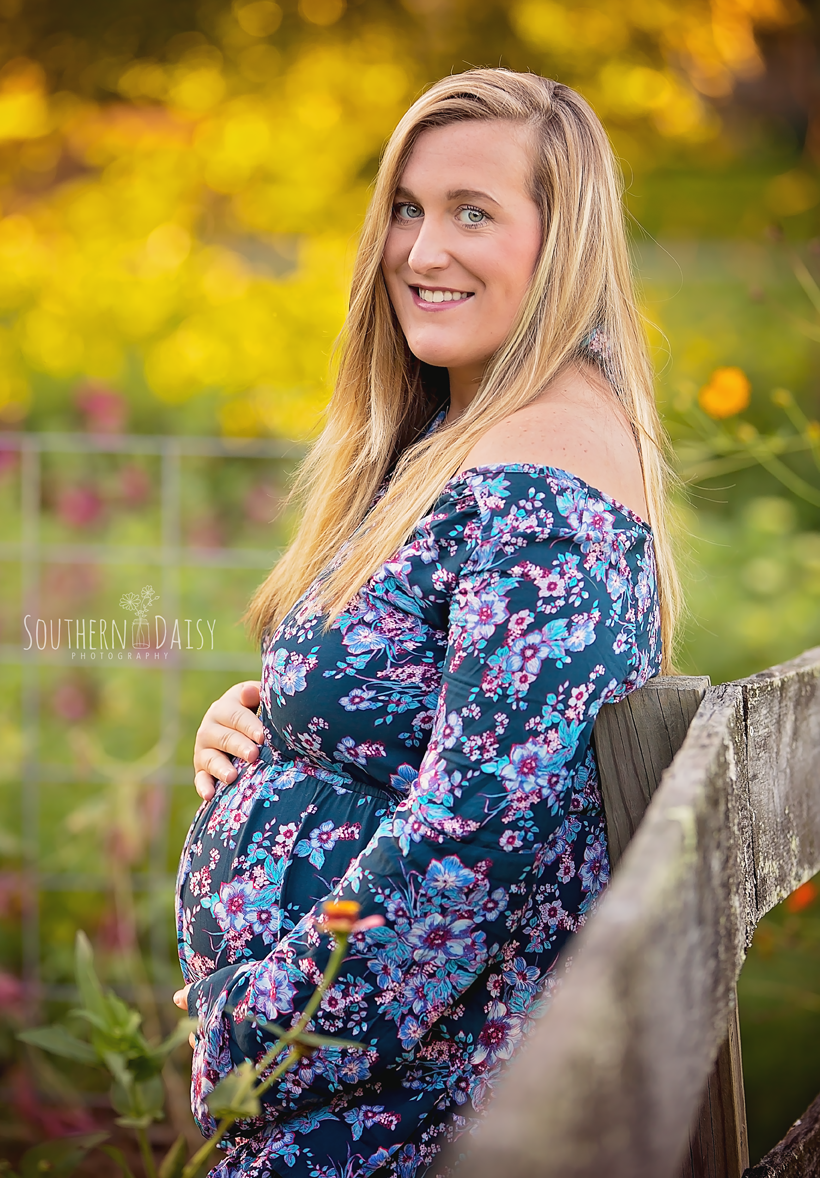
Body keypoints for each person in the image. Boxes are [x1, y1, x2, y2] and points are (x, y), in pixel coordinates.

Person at [172, 69, 676, 1178]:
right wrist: (268, 726)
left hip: (405, 1108)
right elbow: (422, 716)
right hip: (350, 1081)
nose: (421, 250)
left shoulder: (544, 482)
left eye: (472, 212)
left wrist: (253, 1030)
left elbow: (472, 848)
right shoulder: (464, 433)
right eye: (406, 207)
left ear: (562, 241)